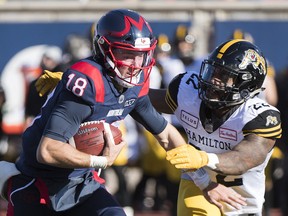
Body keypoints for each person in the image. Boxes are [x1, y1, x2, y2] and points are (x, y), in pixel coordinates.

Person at [148, 39, 282, 215]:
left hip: (242, 204)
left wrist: (203, 158)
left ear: (246, 84)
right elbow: (143, 101)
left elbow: (245, 158)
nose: (213, 80)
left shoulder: (259, 116)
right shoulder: (188, 92)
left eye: (224, 76)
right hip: (197, 184)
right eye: (212, 71)